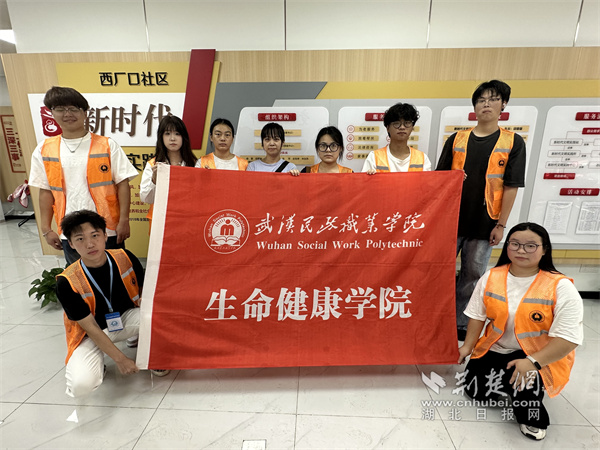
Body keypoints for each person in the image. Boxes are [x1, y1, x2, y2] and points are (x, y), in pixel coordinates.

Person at [458, 222, 583, 441]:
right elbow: (477, 315)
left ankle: (532, 418)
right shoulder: (492, 276)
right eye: (514, 244)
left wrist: (533, 362)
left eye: (530, 245)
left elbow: (569, 339)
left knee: (525, 391)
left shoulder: (560, 286)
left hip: (536, 355)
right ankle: (510, 384)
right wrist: (467, 346)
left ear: (544, 250)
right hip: (496, 348)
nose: (521, 250)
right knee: (476, 392)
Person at [436, 80, 526, 341]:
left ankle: (460, 323)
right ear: (474, 106)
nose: (486, 104)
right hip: (450, 221)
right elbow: (439, 180)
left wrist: (501, 225)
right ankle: (435, 319)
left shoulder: (513, 142)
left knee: (473, 275)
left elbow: (511, 186)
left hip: (485, 223)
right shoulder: (457, 139)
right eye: (481, 100)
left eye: (493, 99)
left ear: (503, 105)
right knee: (438, 271)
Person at [56, 210, 169, 397]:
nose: (90, 244)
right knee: (81, 385)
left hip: (125, 319)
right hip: (89, 334)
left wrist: (144, 300)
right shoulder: (67, 282)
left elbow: (144, 289)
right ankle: (98, 364)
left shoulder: (125, 257)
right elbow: (90, 327)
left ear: (105, 236)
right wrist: (120, 359)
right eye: (80, 239)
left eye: (94, 235)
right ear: (71, 244)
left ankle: (155, 356)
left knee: (157, 314)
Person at [28, 86, 138, 266]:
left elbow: (123, 184)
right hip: (70, 230)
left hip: (107, 228)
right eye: (60, 109)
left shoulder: (107, 145)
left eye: (73, 108)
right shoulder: (44, 149)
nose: (67, 114)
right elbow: (45, 192)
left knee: (116, 272)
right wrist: (46, 229)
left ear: (85, 113)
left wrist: (124, 220)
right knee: (80, 277)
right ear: (52, 113)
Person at [140, 115, 197, 230]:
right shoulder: (153, 165)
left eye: (177, 134)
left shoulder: (195, 164)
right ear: (161, 137)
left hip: (188, 222)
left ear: (184, 137)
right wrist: (154, 180)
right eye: (167, 133)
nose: (172, 138)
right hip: (160, 223)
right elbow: (146, 198)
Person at [362, 102, 431, 174]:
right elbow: (364, 180)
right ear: (387, 128)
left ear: (412, 127)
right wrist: (370, 177)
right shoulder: (374, 157)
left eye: (407, 123)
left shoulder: (422, 158)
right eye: (397, 123)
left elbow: (427, 181)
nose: (402, 127)